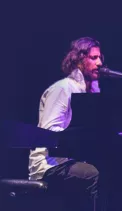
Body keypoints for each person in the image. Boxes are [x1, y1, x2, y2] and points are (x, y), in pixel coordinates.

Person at [28, 37, 103, 211]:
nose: (99, 63)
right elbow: (48, 134)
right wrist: (77, 139)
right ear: (79, 60)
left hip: (70, 160)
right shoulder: (63, 88)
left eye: (100, 58)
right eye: (93, 58)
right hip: (49, 165)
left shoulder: (87, 91)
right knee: (93, 174)